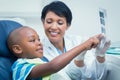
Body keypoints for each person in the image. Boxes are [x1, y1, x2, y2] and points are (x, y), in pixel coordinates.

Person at [41, 1, 111, 80]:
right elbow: (63, 77)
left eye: (60, 23)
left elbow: (96, 77)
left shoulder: (79, 41)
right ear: (43, 22)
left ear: (68, 25)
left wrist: (100, 56)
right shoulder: (39, 50)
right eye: (49, 22)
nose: (53, 27)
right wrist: (79, 60)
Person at [7, 26, 104, 80]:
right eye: (32, 40)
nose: (39, 43)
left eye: (39, 39)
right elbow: (53, 66)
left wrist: (82, 54)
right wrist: (83, 46)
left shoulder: (41, 61)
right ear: (17, 49)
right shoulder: (20, 66)